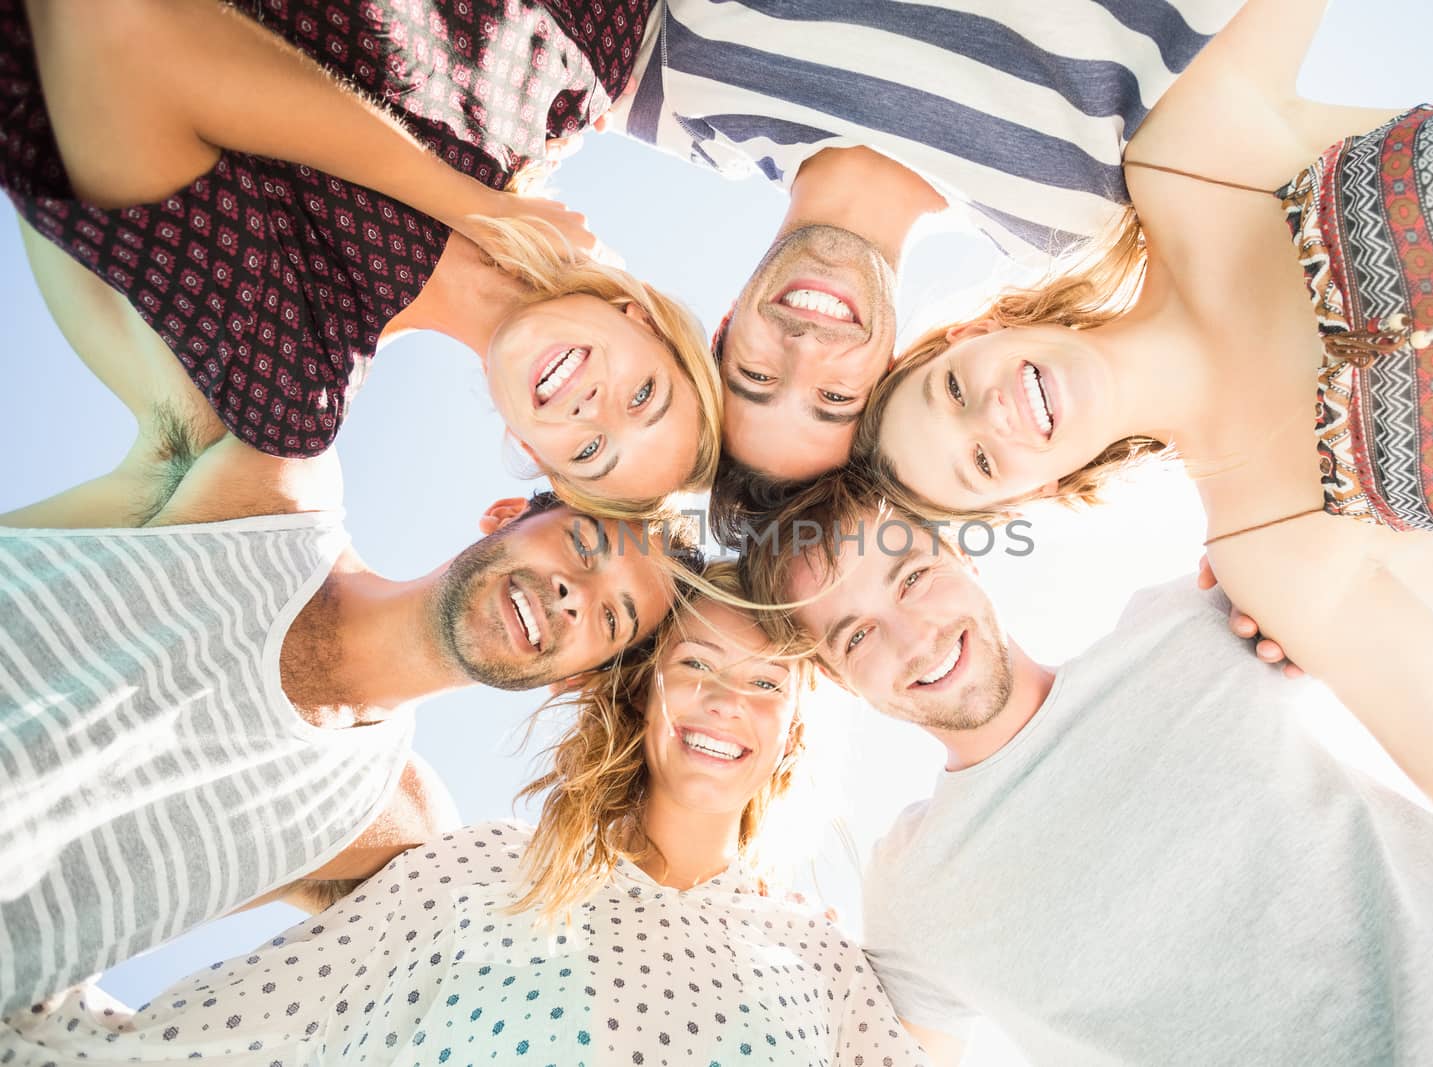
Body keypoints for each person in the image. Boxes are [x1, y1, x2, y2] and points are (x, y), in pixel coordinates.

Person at [854, 2, 1433, 781]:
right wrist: (1428, 546)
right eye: (979, 462)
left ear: (972, 333)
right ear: (1034, 490)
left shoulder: (1184, 158)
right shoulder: (1270, 556)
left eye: (951, 390)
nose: (994, 417)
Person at [0, 230, 701, 1016]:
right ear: (505, 514)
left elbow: (498, 1005)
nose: (574, 595)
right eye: (582, 543)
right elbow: (90, 221)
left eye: (610, 616)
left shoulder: (388, 826)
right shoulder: (268, 488)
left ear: (572, 673)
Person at [737, 470, 1433, 1066]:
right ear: (836, 679)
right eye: (855, 635)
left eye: (914, 574)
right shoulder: (910, 894)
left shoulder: (1187, 624)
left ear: (961, 556)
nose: (911, 633)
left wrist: (1290, 557)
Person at [1, 563, 932, 1067]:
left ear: (794, 734)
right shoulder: (482, 871)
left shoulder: (823, 963)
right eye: (694, 665)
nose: (725, 700)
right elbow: (226, 1038)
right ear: (644, 696)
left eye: (765, 682)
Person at [4, 0, 720, 516]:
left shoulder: (296, 373)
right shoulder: (581, 53)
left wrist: (470, 205)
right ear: (642, 317)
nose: (597, 413)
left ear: (532, 451)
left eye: (591, 453)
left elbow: (111, 31)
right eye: (643, 396)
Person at [591, 0, 1246, 508]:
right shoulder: (1073, 215)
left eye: (757, 378)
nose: (805, 349)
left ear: (728, 325)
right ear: (893, 366)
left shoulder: (676, 91)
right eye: (835, 395)